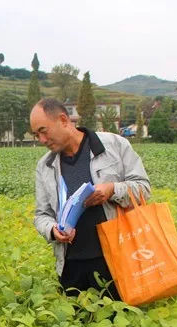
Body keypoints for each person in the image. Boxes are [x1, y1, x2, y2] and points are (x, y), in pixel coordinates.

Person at [30, 98, 151, 299]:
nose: (41, 140)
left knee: (117, 322)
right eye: (36, 135)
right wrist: (52, 230)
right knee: (77, 326)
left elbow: (143, 189)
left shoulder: (114, 146)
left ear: (63, 120)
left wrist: (112, 189)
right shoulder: (45, 166)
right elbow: (42, 215)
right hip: (71, 267)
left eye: (44, 131)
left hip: (116, 261)